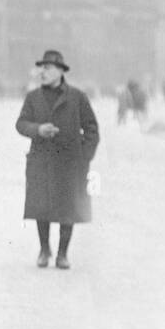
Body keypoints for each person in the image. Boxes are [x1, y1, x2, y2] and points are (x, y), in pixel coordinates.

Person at [15, 49, 100, 270]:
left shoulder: (77, 97)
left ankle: (62, 254)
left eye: (48, 68)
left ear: (60, 71)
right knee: (40, 207)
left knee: (68, 208)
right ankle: (44, 250)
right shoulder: (33, 97)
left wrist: (84, 157)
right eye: (41, 68)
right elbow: (21, 124)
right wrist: (38, 129)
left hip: (70, 162)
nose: (42, 72)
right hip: (42, 160)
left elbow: (92, 129)